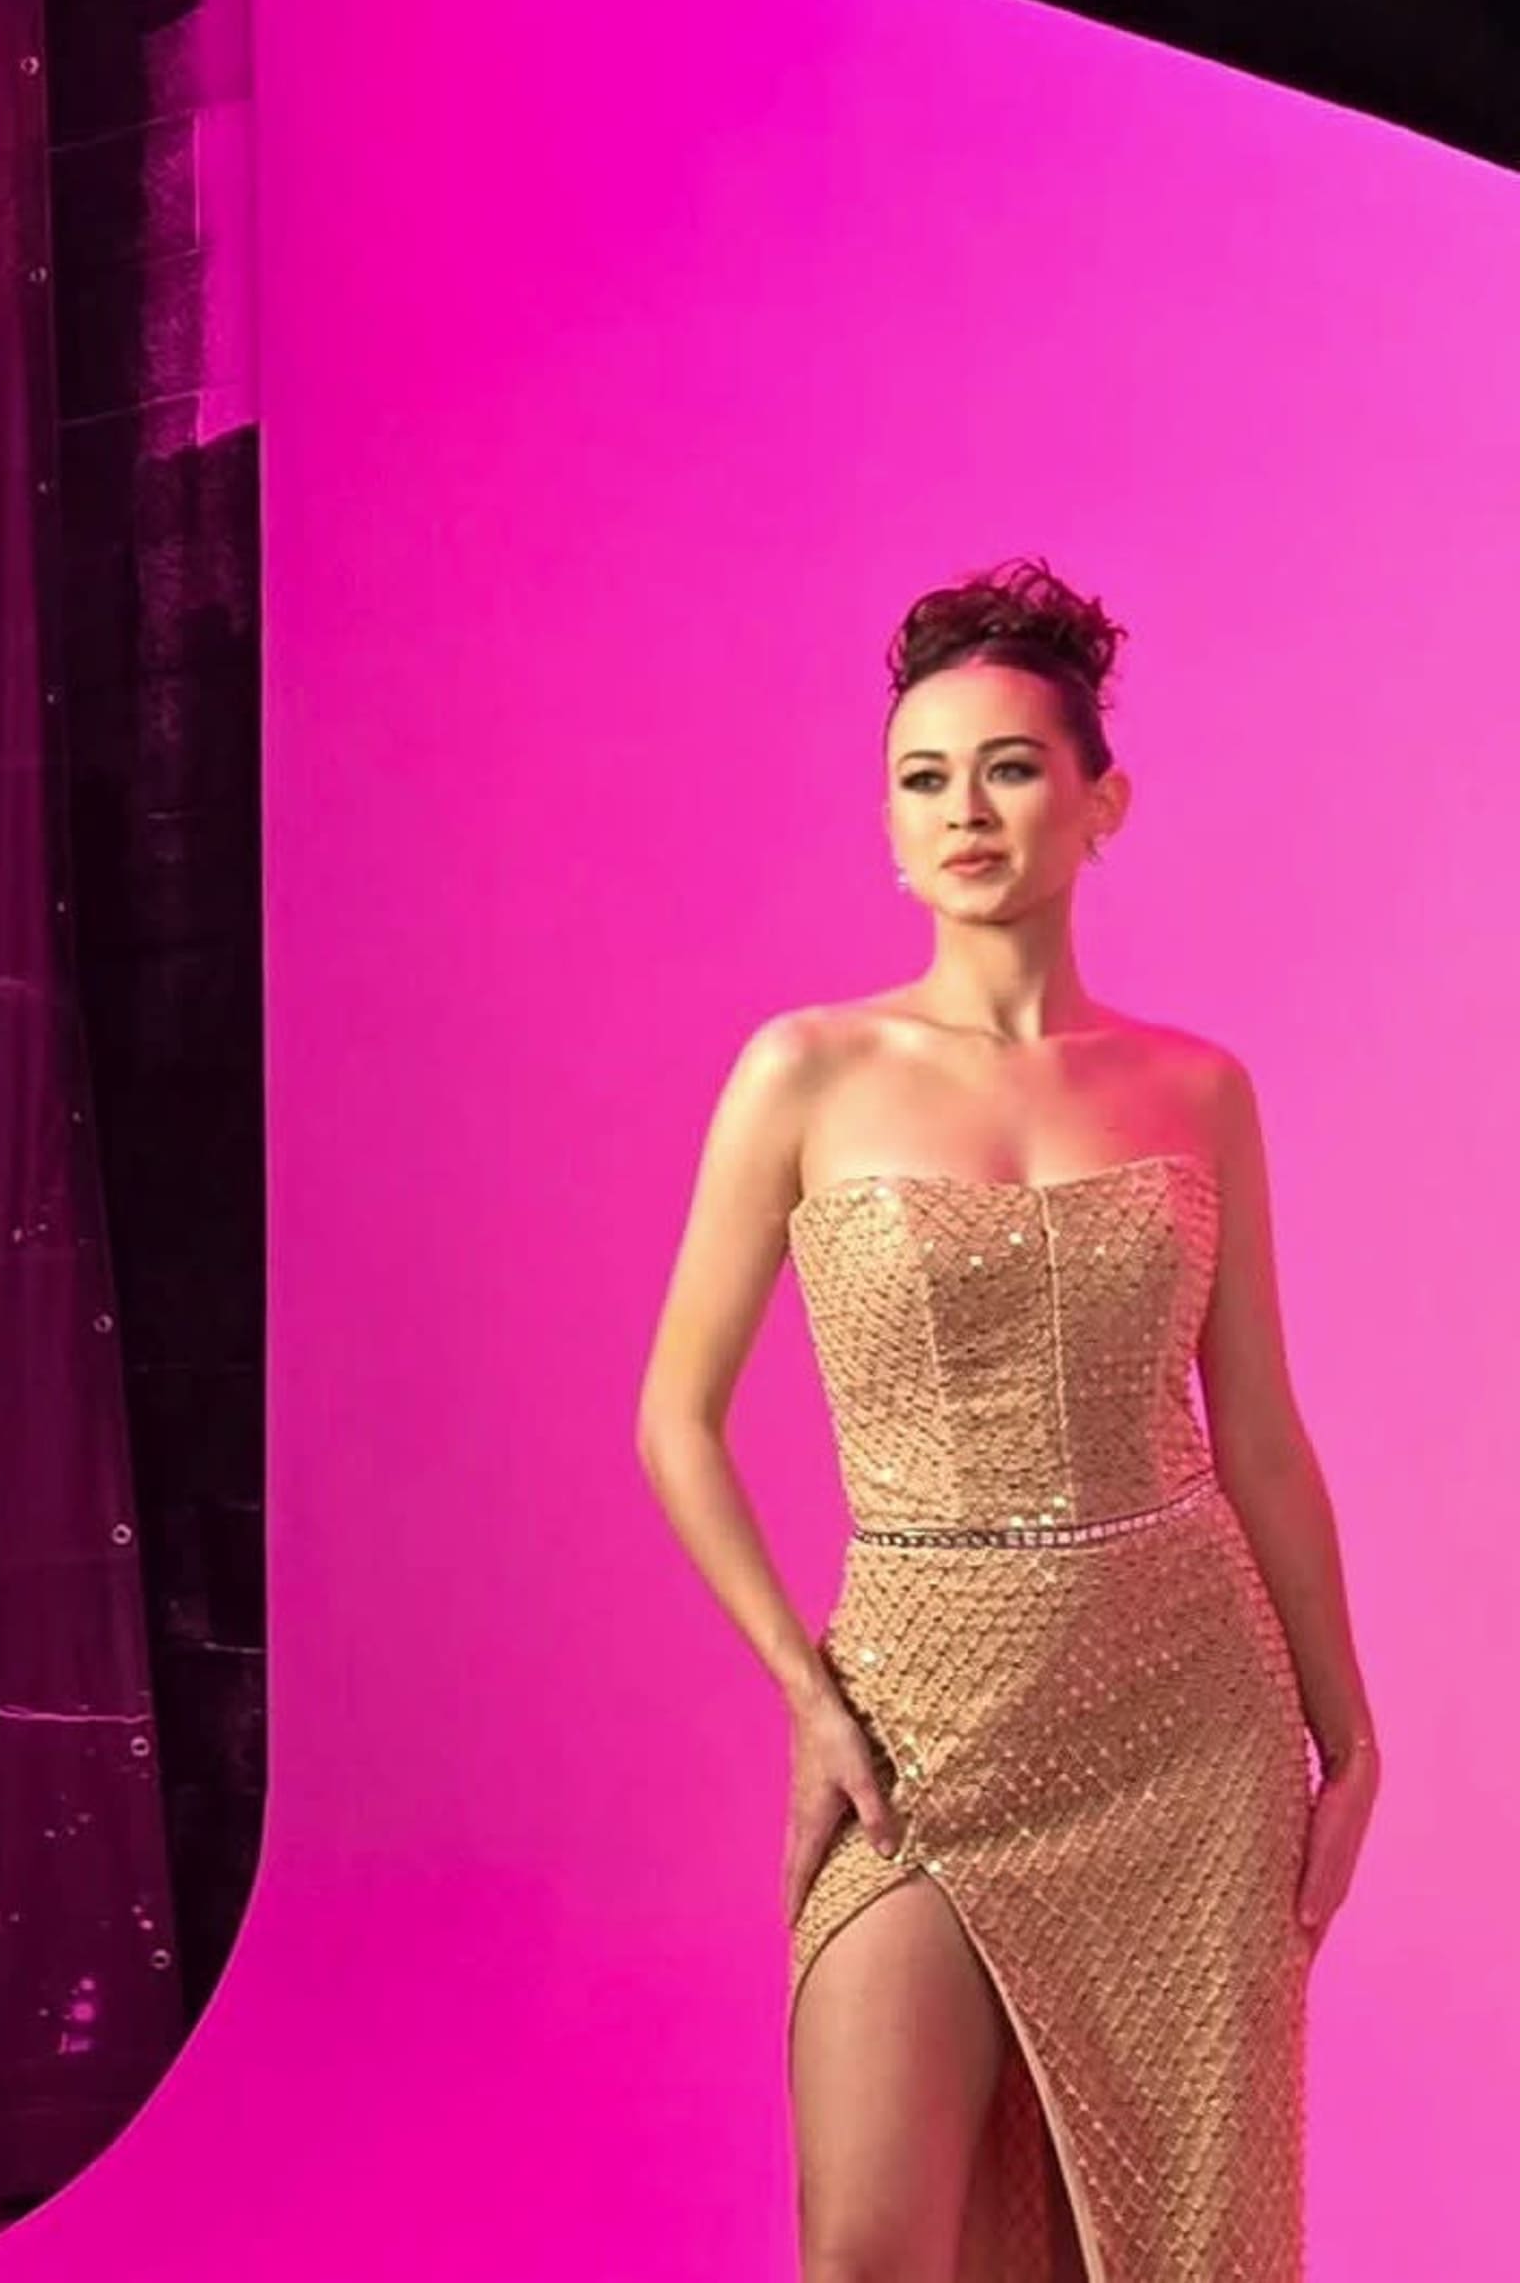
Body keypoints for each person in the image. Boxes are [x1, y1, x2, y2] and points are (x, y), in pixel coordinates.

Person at [634, 562, 1375, 2283]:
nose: (963, 810)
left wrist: (1352, 1739)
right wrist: (809, 1696)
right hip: (915, 1709)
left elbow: (1258, 1427)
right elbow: (676, 1417)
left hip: (1191, 1719)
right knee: (870, 2253)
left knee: (1186, 2246)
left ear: (1101, 801)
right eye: (921, 777)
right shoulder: (802, 1073)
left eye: (1012, 767)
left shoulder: (1197, 1089)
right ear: (888, 828)